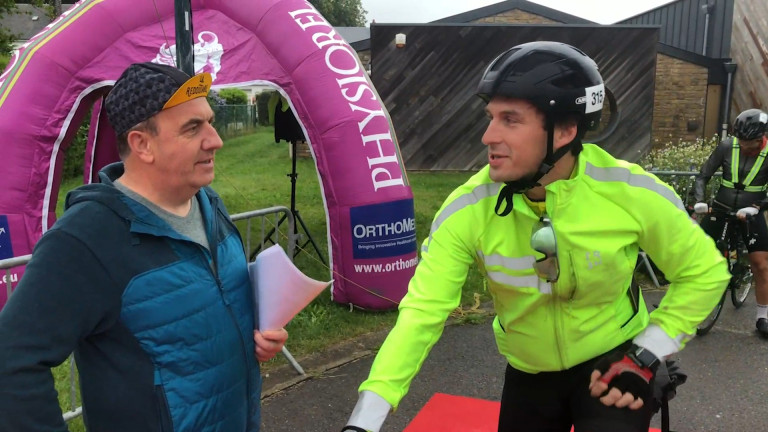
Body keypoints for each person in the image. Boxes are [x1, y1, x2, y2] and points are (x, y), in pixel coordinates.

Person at [341, 41, 730, 432]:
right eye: (490, 117)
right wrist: (364, 421)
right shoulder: (468, 209)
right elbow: (421, 314)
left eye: (510, 119)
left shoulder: (629, 191)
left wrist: (647, 354)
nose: (488, 136)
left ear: (565, 130)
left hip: (613, 364)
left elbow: (705, 273)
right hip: (529, 372)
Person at [0, 62, 288, 431]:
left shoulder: (208, 202)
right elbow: (13, 362)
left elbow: (204, 302)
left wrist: (256, 331)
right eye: (192, 128)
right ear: (142, 144)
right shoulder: (85, 239)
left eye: (210, 122)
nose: (215, 140)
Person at [691, 108, 768, 337]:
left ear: (762, 137)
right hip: (721, 208)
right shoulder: (727, 146)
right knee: (695, 256)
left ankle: (763, 316)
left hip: (751, 212)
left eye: (750, 143)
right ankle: (685, 306)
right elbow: (702, 176)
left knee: (761, 264)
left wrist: (757, 207)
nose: (744, 146)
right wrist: (699, 201)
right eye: (741, 141)